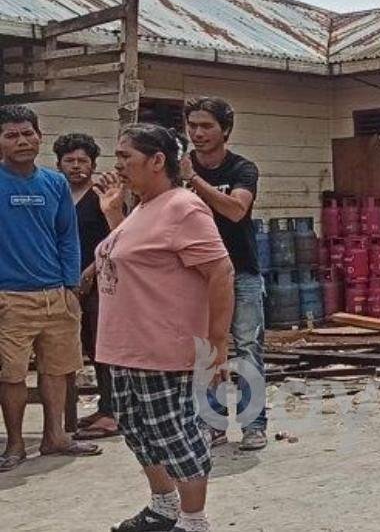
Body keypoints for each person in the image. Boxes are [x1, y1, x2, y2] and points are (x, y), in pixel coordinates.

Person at [95, 124, 234, 532]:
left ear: (158, 161)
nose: (117, 165)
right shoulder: (141, 207)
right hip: (123, 347)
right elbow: (133, 260)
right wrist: (112, 214)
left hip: (163, 349)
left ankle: (193, 522)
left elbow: (221, 271)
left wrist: (217, 344)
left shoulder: (183, 207)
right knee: (139, 432)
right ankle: (163, 506)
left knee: (176, 436)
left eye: (126, 157)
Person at [0, 105, 101, 472]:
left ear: (39, 137)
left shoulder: (55, 183)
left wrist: (70, 286)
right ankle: (14, 445)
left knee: (58, 369)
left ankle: (55, 436)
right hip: (9, 297)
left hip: (56, 294)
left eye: (28, 133)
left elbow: (66, 237)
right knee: (11, 374)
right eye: (11, 135)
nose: (22, 141)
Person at [181, 97, 267, 451]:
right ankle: (211, 423)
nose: (198, 133)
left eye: (206, 126)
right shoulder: (177, 170)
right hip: (196, 276)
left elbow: (235, 210)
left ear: (225, 130)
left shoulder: (242, 169)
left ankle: (253, 424)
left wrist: (194, 181)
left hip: (241, 273)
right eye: (193, 126)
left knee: (247, 349)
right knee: (205, 351)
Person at [53, 133, 124, 440]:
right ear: (59, 164)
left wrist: (91, 272)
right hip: (63, 283)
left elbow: (118, 236)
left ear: (94, 165)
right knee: (76, 349)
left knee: (104, 347)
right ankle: (99, 408)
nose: (77, 167)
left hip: (99, 282)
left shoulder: (102, 196)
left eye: (83, 161)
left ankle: (112, 413)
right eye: (70, 161)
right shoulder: (55, 195)